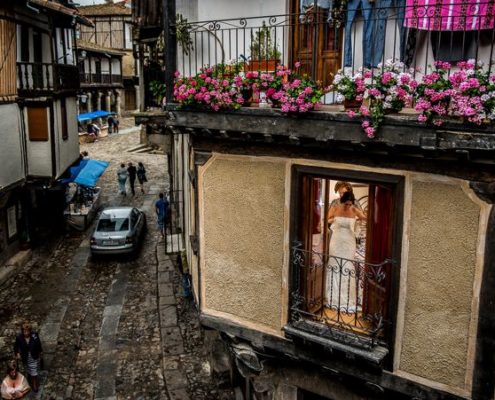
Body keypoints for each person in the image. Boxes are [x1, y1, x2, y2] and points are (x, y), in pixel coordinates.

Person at [326, 191, 367, 313]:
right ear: (342, 201)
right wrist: (335, 219)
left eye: (350, 204)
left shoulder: (354, 210)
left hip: (349, 242)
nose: (348, 206)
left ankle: (346, 299)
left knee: (347, 266)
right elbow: (327, 220)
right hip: (336, 240)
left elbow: (365, 218)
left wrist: (359, 218)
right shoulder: (335, 207)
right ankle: (333, 298)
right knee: (335, 265)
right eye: (346, 204)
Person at [14, 322, 42, 393]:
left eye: (27, 331)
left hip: (33, 356)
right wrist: (17, 353)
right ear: (22, 331)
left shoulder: (34, 335)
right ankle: (30, 379)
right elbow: (16, 347)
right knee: (28, 369)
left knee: (34, 370)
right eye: (24, 331)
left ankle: (34, 384)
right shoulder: (19, 338)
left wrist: (40, 352)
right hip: (25, 357)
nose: (26, 333)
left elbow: (39, 344)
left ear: (30, 330)